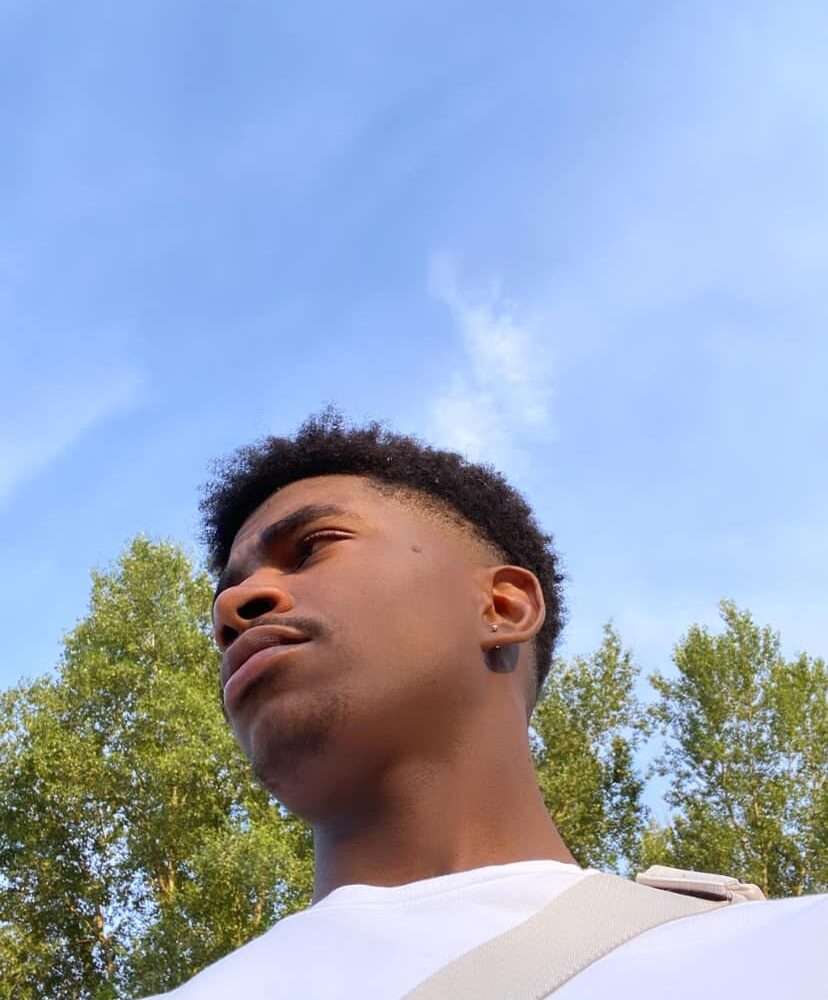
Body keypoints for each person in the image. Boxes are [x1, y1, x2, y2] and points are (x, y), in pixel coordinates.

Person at [146, 408, 826, 998]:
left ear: (503, 606)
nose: (233, 608)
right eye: (223, 597)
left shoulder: (790, 956)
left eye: (311, 548)